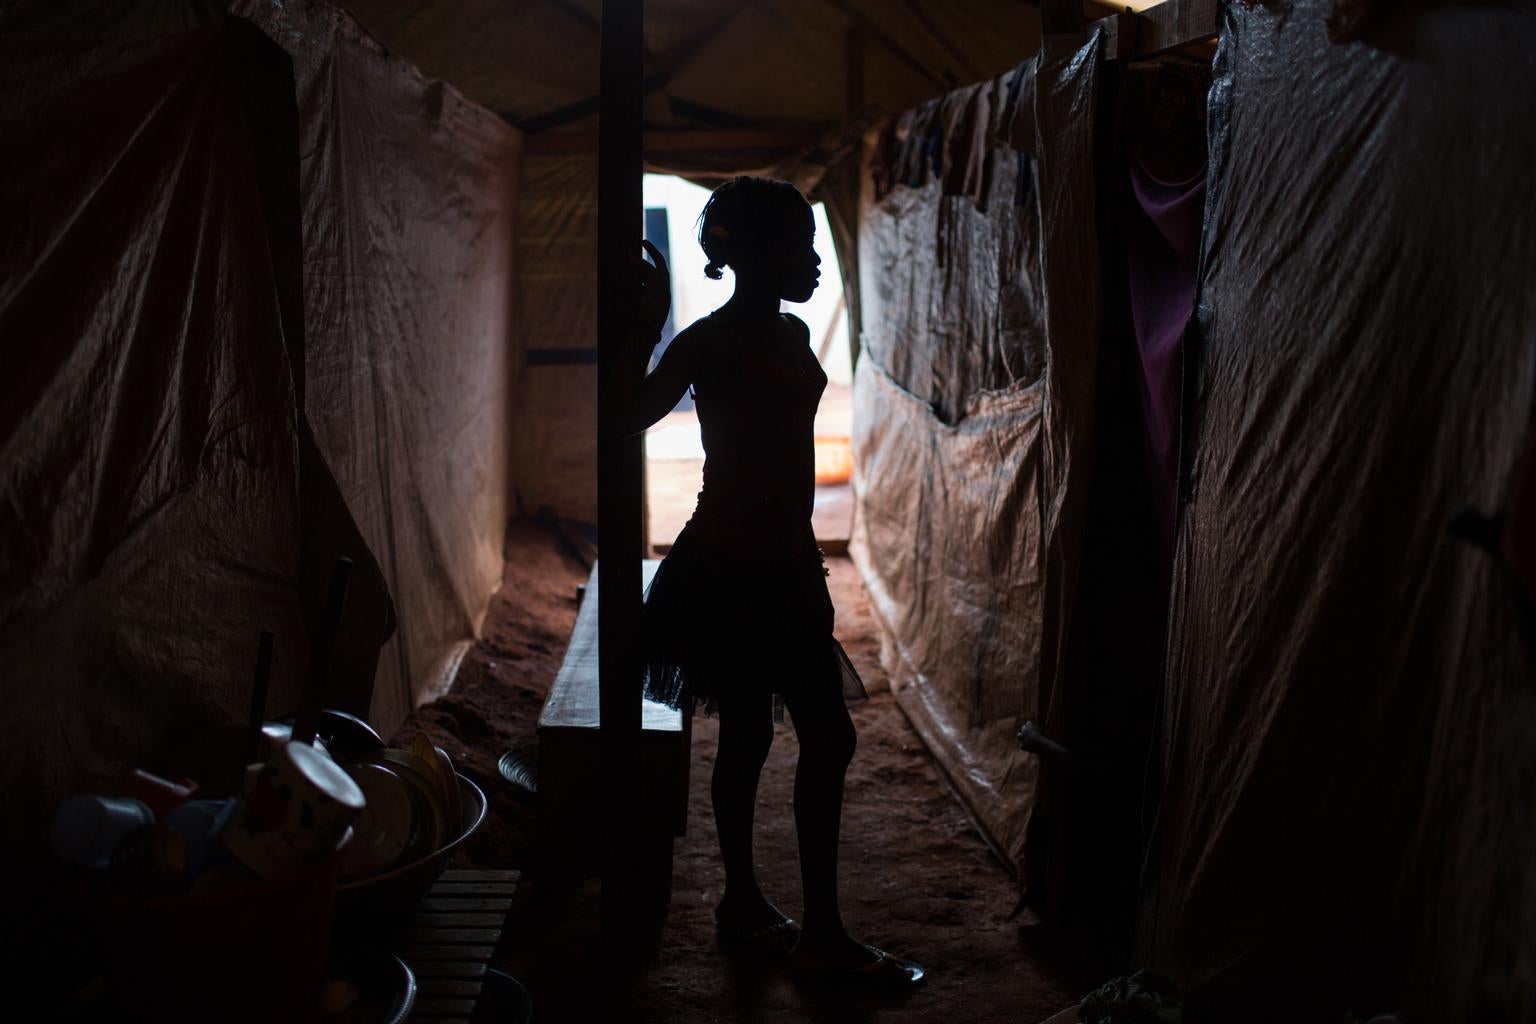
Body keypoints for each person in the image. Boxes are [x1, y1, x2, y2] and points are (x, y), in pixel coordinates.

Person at [608, 176, 923, 986]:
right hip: (728, 571)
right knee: (801, 735)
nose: (815, 263)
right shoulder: (708, 343)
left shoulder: (788, 338)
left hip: (785, 567)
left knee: (773, 735)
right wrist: (642, 326)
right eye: (800, 246)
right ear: (751, 253)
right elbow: (628, 415)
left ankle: (750, 908)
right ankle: (801, 927)